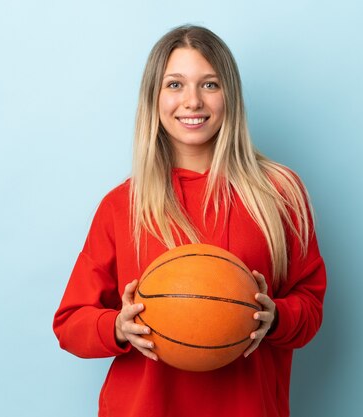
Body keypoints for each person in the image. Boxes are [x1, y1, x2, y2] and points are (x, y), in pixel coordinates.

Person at [53, 25, 327, 417]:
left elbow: (310, 305)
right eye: (175, 84)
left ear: (229, 95)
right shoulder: (121, 206)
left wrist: (275, 316)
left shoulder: (279, 193)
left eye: (210, 84)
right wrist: (118, 326)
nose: (192, 101)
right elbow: (70, 323)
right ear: (155, 98)